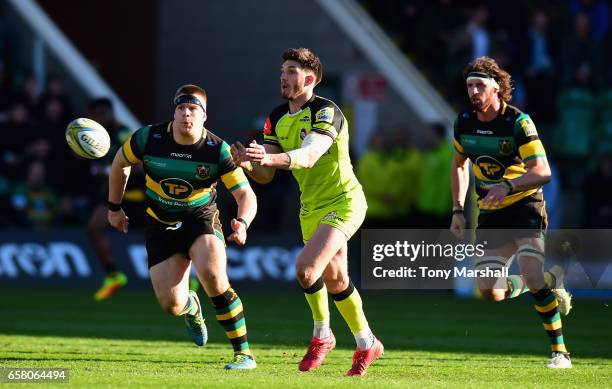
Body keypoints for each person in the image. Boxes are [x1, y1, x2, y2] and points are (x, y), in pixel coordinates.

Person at [232, 48, 383, 376]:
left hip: (344, 201)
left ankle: (322, 335)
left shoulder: (327, 111)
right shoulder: (276, 116)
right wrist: (248, 163)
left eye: (290, 71)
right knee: (336, 278)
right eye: (282, 70)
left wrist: (267, 159)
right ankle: (366, 342)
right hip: (310, 207)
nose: (283, 77)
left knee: (305, 269)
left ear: (310, 78)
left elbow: (311, 154)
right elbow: (266, 175)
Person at [107, 84, 258, 370]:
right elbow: (119, 164)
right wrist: (114, 208)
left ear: (204, 116)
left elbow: (245, 194)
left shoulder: (217, 149)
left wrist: (243, 222)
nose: (186, 114)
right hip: (160, 223)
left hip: (199, 218)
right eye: (181, 108)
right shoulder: (148, 137)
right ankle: (191, 305)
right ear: (173, 113)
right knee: (171, 305)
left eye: (193, 109)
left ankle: (244, 354)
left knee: (214, 278)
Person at [450, 57, 573, 368]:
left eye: (480, 85)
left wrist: (506, 186)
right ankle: (547, 279)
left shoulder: (518, 122)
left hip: (526, 206)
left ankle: (560, 352)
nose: (473, 91)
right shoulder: (463, 121)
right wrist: (457, 209)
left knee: (530, 274)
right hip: (491, 213)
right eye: (469, 86)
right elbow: (460, 164)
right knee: (490, 292)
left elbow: (542, 171)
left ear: (497, 90)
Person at [86, 98, 144, 301]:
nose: (100, 118)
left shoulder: (123, 133)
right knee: (93, 227)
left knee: (163, 235)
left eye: (103, 113)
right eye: (96, 114)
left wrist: (107, 170)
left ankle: (189, 275)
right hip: (114, 193)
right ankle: (113, 276)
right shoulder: (91, 136)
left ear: (111, 113)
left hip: (136, 194)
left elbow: (138, 165)